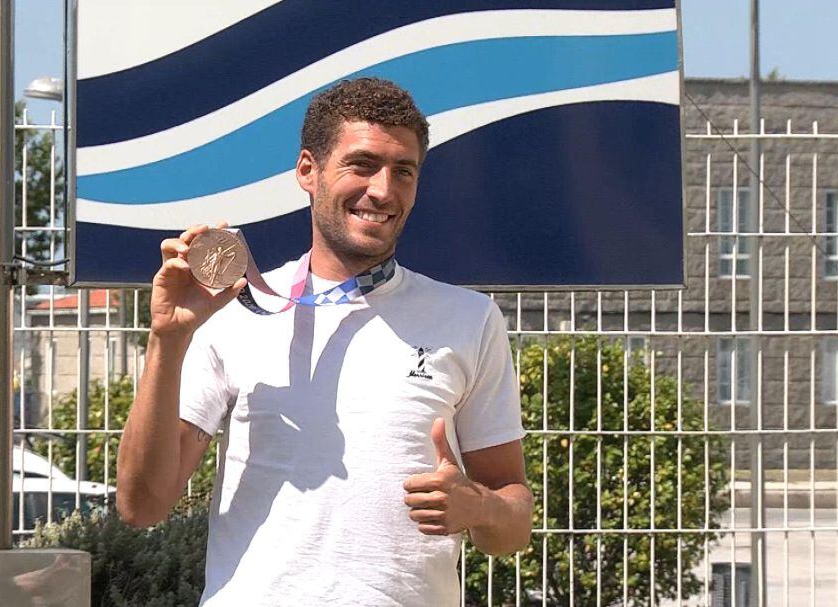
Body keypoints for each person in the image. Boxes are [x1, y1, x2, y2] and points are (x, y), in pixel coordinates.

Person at [117, 78, 533, 606]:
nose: (382, 190)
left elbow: (513, 524)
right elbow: (142, 506)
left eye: (403, 171)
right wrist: (168, 340)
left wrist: (478, 507)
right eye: (361, 165)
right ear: (308, 172)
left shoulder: (469, 319)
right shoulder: (233, 313)